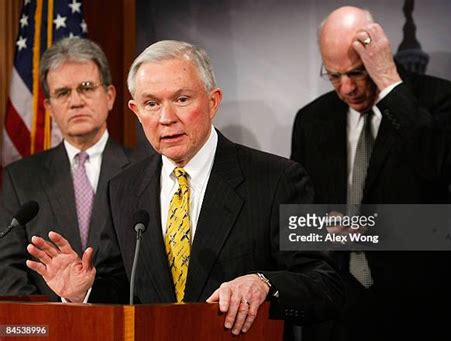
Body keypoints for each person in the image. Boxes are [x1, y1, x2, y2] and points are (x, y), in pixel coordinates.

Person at [25, 40, 344, 336]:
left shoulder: (279, 179)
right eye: (151, 103)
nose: (166, 118)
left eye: (181, 99)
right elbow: (124, 287)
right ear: (136, 111)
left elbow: (326, 284)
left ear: (212, 101)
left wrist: (264, 283)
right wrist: (84, 291)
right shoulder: (123, 188)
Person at [291, 6, 451, 340]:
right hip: (339, 313)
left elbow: (438, 175)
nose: (347, 88)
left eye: (358, 72)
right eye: (333, 75)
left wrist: (388, 79)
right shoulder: (310, 120)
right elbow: (299, 225)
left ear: (377, 53)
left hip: (421, 308)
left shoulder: (439, 98)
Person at [0, 37, 135, 301]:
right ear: (49, 107)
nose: (76, 101)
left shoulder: (147, 168)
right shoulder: (20, 178)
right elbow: (7, 268)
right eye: (63, 92)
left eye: (86, 88)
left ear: (109, 96)